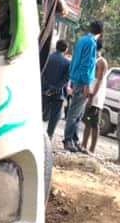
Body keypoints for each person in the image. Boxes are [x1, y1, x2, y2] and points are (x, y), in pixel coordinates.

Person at [63, 21, 103, 153]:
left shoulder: (81, 40)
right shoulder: (92, 43)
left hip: (76, 78)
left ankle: (74, 140)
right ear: (101, 33)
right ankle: (68, 140)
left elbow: (75, 60)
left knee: (79, 114)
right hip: (82, 81)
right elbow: (87, 64)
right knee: (75, 113)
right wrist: (87, 84)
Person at [82, 42, 108, 154]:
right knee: (87, 122)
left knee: (94, 124)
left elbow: (99, 81)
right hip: (91, 95)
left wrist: (91, 97)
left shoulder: (101, 62)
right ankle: (83, 144)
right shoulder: (95, 60)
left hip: (96, 98)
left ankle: (92, 148)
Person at [42, 39, 70, 140]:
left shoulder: (48, 58)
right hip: (58, 94)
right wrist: (55, 88)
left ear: (56, 47)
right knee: (54, 117)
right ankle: (49, 136)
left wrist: (47, 87)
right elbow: (66, 79)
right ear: (66, 49)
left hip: (44, 91)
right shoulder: (67, 62)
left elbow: (42, 73)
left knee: (39, 113)